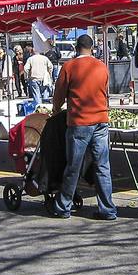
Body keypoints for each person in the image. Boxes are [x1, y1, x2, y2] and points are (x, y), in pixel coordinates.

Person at [51, 34, 116, 220]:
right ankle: (108, 209)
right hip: (101, 120)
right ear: (92, 48)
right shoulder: (102, 67)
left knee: (74, 165)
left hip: (79, 121)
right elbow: (104, 91)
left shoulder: (69, 67)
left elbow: (59, 94)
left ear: (76, 48)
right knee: (102, 166)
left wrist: (56, 110)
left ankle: (64, 206)